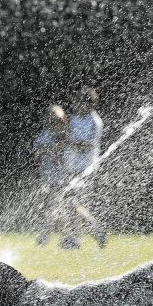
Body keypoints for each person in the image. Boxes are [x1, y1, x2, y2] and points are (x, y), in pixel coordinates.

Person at [60, 87, 106, 249]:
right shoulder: (72, 119)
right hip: (71, 168)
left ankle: (88, 232)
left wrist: (72, 142)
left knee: (72, 203)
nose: (75, 105)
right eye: (75, 102)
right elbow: (64, 136)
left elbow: (89, 144)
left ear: (89, 105)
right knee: (71, 204)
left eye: (79, 102)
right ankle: (78, 237)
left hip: (85, 169)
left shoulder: (94, 121)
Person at [33, 105, 68, 246]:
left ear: (62, 119)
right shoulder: (45, 133)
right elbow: (37, 151)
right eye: (50, 119)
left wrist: (49, 149)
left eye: (56, 120)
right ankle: (45, 236)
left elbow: (66, 151)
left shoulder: (66, 133)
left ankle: (65, 237)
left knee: (59, 209)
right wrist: (47, 149)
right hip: (47, 177)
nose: (52, 122)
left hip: (62, 179)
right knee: (46, 209)